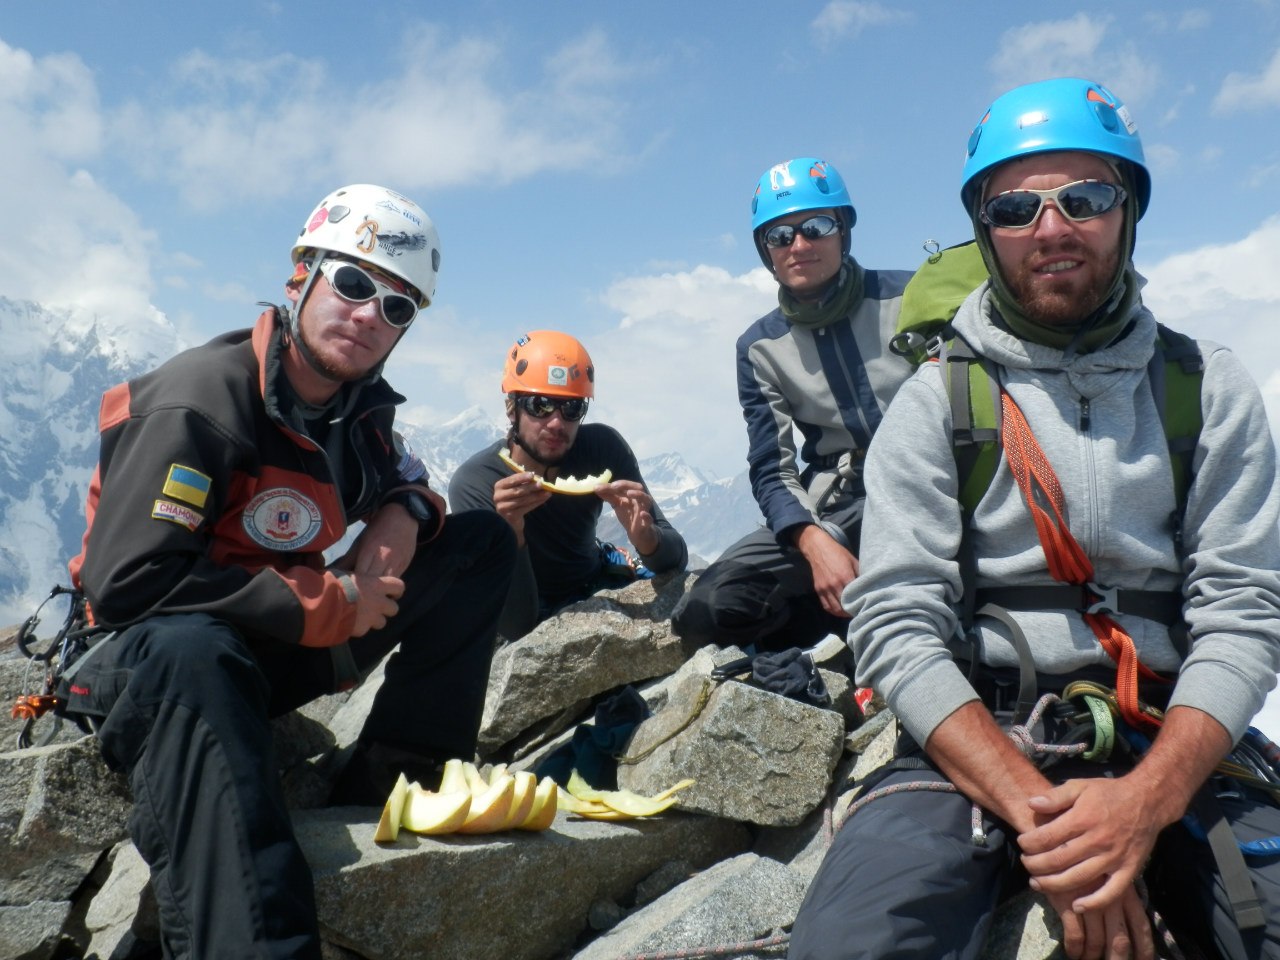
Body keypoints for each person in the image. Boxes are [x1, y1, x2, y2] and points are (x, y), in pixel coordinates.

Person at [788, 78, 1280, 960]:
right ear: (986, 229)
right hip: (979, 734)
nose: (1051, 229)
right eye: (1016, 208)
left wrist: (1145, 803)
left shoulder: (1207, 389)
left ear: (1128, 213)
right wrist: (1050, 823)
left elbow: (1244, 613)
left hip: (1170, 732)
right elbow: (898, 620)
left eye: (1085, 199)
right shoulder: (939, 400)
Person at [62, 184, 516, 958]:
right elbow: (129, 583)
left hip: (258, 648)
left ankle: (392, 782)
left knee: (480, 544)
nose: (370, 314)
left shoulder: (356, 409)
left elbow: (404, 473)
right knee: (193, 651)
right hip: (137, 659)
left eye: (398, 307)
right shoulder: (202, 402)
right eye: (353, 283)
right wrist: (323, 602)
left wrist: (405, 512)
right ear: (300, 275)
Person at [671, 157, 913, 652]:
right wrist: (813, 541)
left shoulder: (912, 296)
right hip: (845, 503)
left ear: (843, 230)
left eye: (816, 226)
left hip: (935, 482)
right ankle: (842, 627)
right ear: (766, 251)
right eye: (779, 236)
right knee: (707, 610)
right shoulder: (759, 347)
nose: (798, 245)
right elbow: (771, 468)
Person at [448, 330, 687, 640]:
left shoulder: (603, 448)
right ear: (512, 408)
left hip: (596, 581)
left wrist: (647, 539)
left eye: (572, 408)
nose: (557, 423)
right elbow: (515, 625)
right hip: (530, 609)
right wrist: (510, 534)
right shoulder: (477, 483)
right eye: (540, 405)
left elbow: (675, 561)